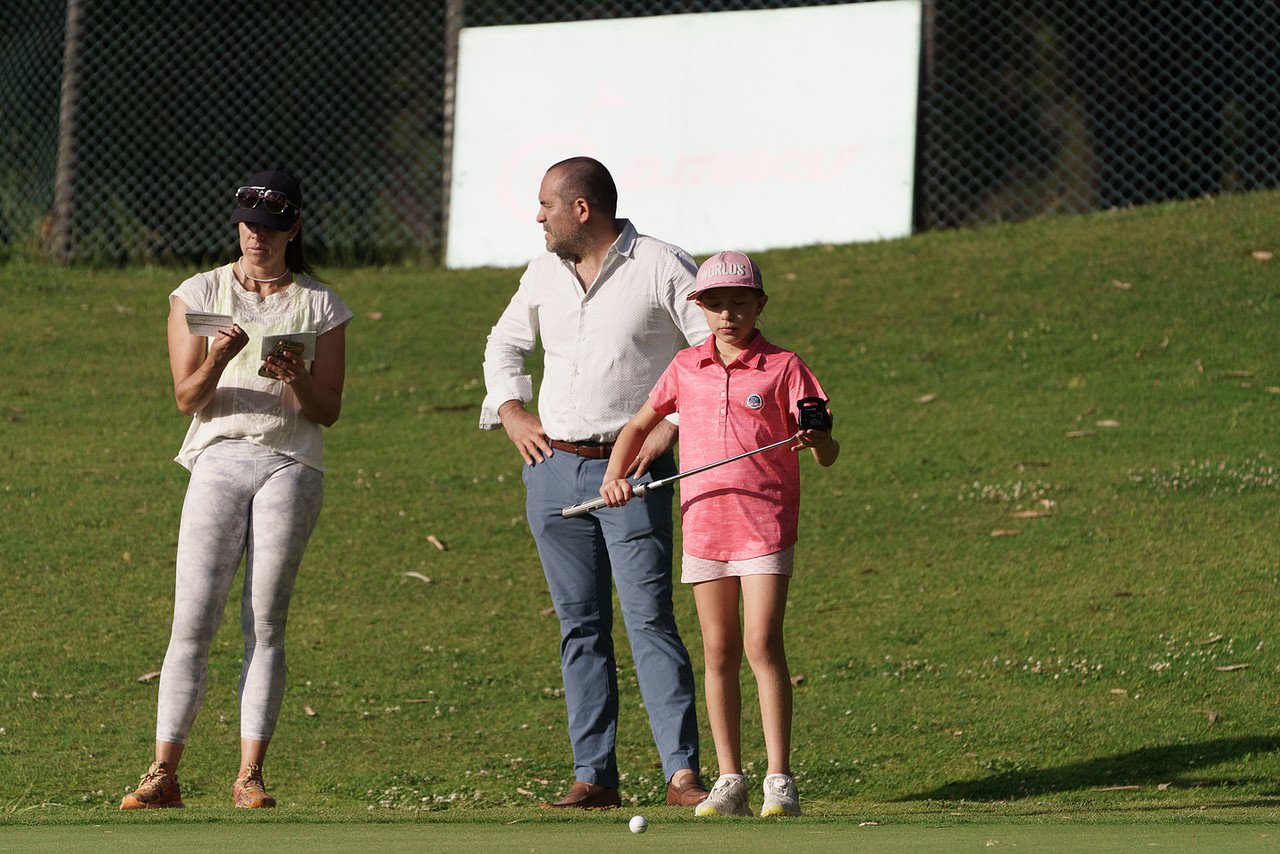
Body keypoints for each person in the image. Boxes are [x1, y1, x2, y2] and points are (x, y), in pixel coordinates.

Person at [481, 156, 711, 809]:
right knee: (579, 626)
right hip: (551, 471)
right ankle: (594, 777)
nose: (538, 217)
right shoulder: (541, 273)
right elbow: (503, 345)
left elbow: (712, 352)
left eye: (546, 205)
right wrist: (511, 409)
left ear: (581, 209)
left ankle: (682, 775)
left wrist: (668, 430)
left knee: (648, 620)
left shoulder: (662, 265)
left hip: (632, 472)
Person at [120, 169, 352, 810]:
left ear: (293, 228)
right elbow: (186, 398)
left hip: (290, 462)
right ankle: (163, 772)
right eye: (249, 224)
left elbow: (328, 410)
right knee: (192, 618)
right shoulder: (199, 292)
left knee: (265, 620)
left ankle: (250, 775)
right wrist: (219, 356)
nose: (257, 237)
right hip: (218, 455)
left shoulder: (322, 305)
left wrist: (297, 376)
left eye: (271, 226)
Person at [598, 250, 839, 818]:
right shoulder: (686, 366)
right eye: (714, 305)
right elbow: (638, 425)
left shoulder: (785, 367)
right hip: (704, 524)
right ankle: (730, 780)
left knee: (761, 643)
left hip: (764, 524)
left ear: (759, 304)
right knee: (718, 648)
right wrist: (614, 477)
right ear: (699, 308)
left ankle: (779, 779)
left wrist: (817, 442)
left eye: (738, 303)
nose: (727, 315)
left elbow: (827, 451)